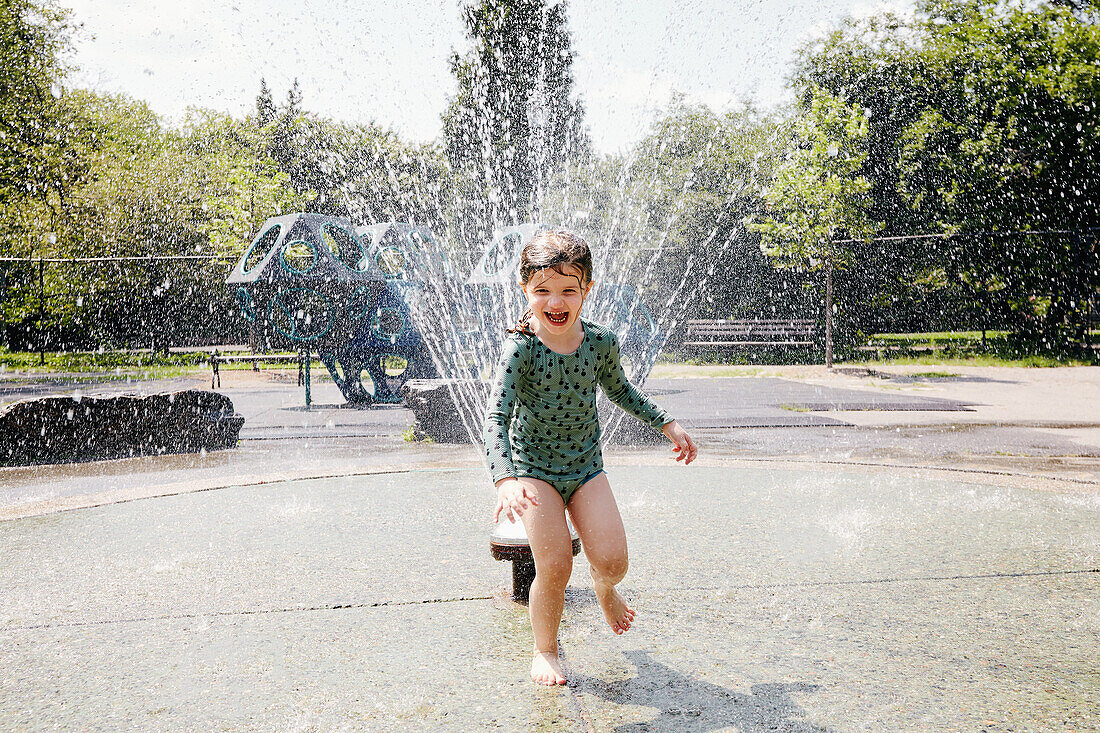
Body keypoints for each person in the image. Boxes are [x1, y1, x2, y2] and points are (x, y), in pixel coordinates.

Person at [483, 229, 697, 686]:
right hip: (533, 470)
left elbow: (621, 390)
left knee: (615, 562)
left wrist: (666, 423)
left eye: (567, 289)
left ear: (587, 289)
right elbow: (495, 417)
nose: (555, 301)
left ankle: (605, 590)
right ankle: (544, 649)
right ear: (526, 290)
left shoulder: (600, 343)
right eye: (542, 290)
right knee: (556, 566)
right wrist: (505, 480)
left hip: (584, 469)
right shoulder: (521, 349)